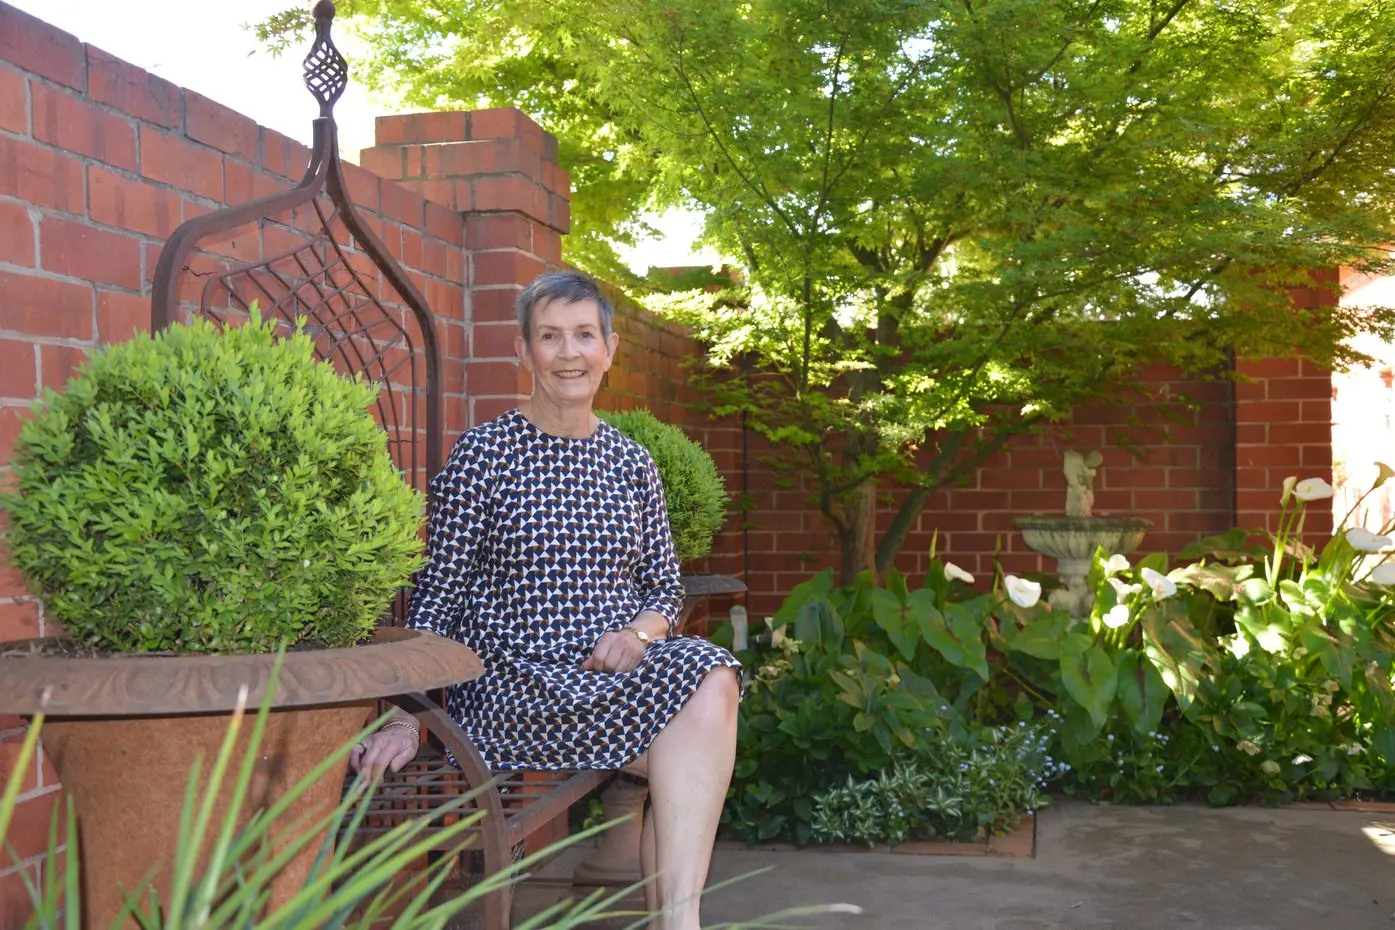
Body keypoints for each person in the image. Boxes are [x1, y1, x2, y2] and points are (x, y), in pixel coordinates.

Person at [351, 270, 741, 930]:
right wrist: (404, 717)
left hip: (608, 683)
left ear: (609, 349)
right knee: (691, 745)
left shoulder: (631, 463)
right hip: (511, 689)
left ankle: (678, 922)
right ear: (523, 351)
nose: (569, 353)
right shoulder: (484, 455)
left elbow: (663, 589)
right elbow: (438, 594)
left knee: (711, 675)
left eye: (584, 336)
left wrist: (637, 636)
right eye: (550, 336)